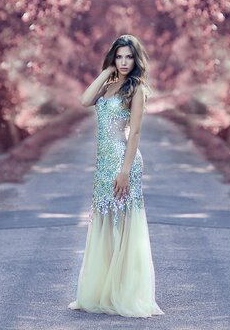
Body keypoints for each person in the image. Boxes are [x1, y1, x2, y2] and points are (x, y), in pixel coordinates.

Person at [68, 34, 164, 318]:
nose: (124, 62)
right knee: (104, 225)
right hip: (103, 165)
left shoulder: (137, 89)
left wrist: (124, 170)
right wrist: (106, 71)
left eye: (129, 57)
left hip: (125, 163)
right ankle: (102, 292)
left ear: (136, 60)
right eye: (119, 57)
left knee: (124, 229)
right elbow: (85, 100)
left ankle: (125, 292)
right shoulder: (108, 84)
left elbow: (134, 132)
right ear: (113, 58)